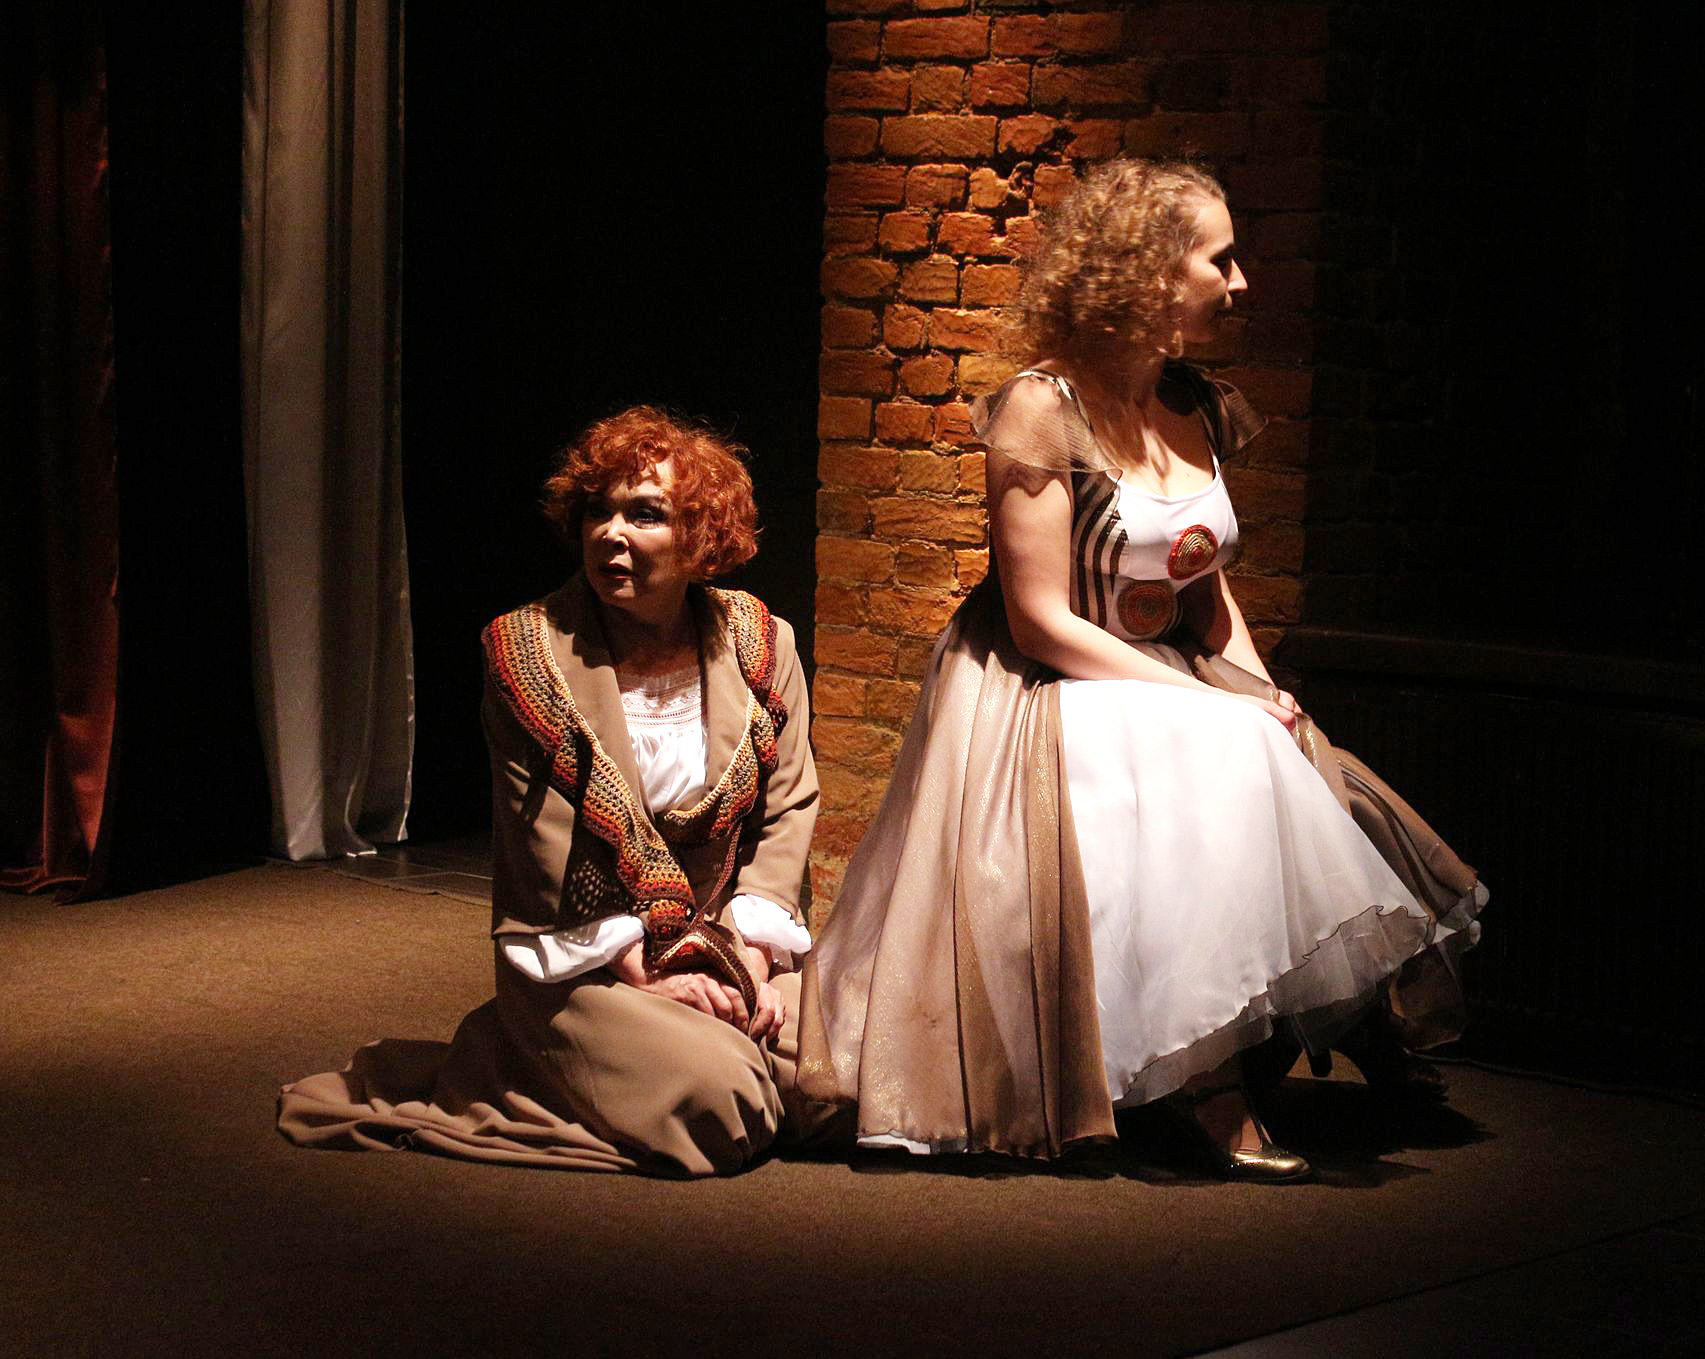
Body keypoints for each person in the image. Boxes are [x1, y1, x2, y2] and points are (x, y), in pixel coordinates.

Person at [799, 160, 1486, 1181]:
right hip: (1053, 681)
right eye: (1219, 260)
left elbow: (1207, 587)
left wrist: (1256, 689)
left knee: (1310, 772)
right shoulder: (1041, 408)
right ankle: (1200, 1088)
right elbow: (1037, 620)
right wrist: (1201, 703)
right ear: (1149, 272)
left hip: (1168, 665)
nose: (1239, 282)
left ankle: (1336, 1037)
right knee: (1203, 767)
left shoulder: (1193, 403)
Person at [279, 407, 845, 1176]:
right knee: (725, 1101)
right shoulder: (528, 654)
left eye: (644, 514)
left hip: (724, 942)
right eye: (597, 511)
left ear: (701, 534)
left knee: (856, 1077)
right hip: (588, 961)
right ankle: (517, 1055)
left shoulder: (762, 645)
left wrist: (751, 959)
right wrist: (655, 976)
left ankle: (693, 1053)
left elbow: (789, 809)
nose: (610, 533)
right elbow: (539, 852)